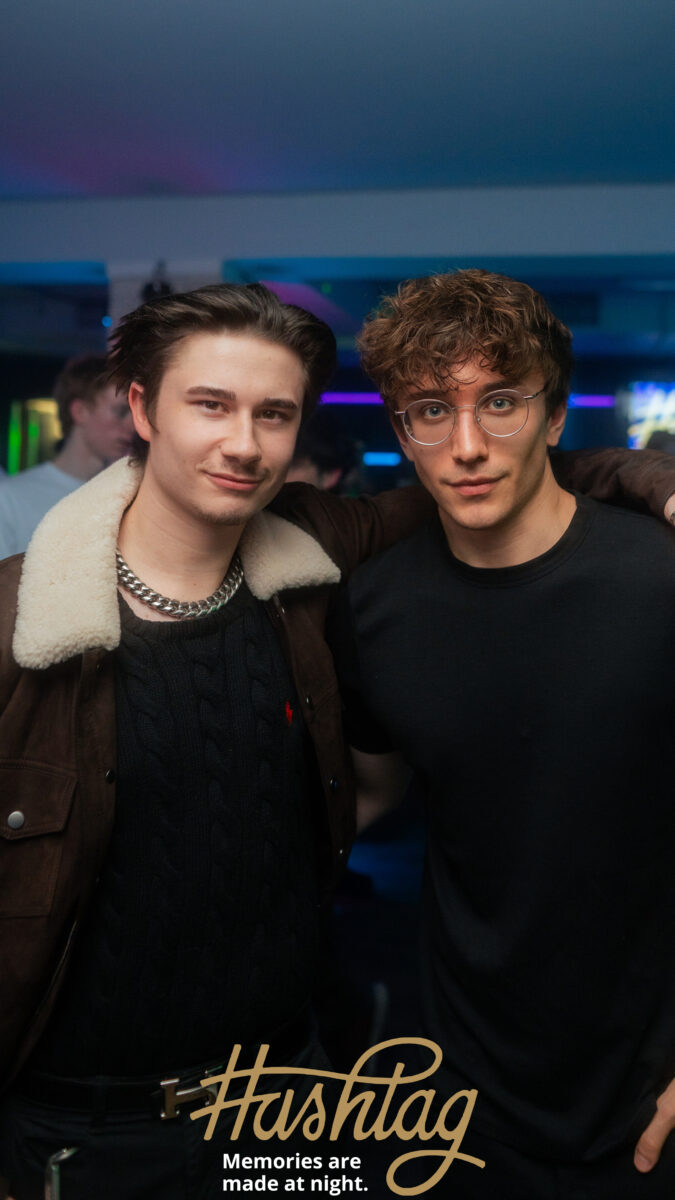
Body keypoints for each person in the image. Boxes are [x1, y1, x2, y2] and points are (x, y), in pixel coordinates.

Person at [0, 282, 672, 1200]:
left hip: (292, 1104)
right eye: (211, 405)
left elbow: (513, 476)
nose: (243, 443)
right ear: (143, 411)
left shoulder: (317, 564)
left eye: (273, 414)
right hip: (82, 1132)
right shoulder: (22, 624)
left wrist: (651, 480)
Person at [330, 269, 675, 1198]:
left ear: (554, 417)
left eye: (500, 403)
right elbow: (364, 793)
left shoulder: (659, 578)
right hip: (461, 1082)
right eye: (429, 411)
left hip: (651, 1075)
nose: (466, 446)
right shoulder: (372, 608)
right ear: (400, 429)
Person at [0, 354, 135, 560]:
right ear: (80, 411)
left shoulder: (128, 498)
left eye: (134, 413)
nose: (132, 425)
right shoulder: (11, 498)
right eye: (121, 411)